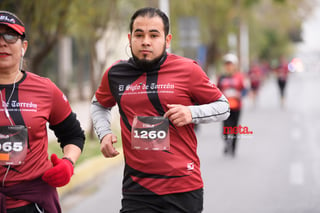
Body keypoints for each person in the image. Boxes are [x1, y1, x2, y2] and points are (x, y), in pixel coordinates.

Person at [91, 7, 230, 213]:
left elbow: (223, 107)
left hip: (183, 187)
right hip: (137, 189)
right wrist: (104, 133)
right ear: (130, 38)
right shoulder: (116, 73)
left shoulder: (188, 70)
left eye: (154, 35)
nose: (145, 41)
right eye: (139, 35)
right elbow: (99, 104)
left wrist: (191, 113)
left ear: (167, 39)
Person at [0, 11, 85, 213]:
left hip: (34, 203)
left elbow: (73, 135)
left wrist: (68, 163)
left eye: (10, 36)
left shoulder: (45, 89)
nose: (2, 43)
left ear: (23, 47)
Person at [217, 53, 246, 157]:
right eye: (227, 64)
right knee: (225, 128)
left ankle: (233, 148)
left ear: (235, 65)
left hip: (236, 107)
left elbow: (244, 90)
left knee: (234, 128)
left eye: (231, 64)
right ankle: (226, 142)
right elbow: (216, 90)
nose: (229, 66)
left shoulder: (239, 77)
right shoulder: (221, 77)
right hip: (224, 107)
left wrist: (239, 95)